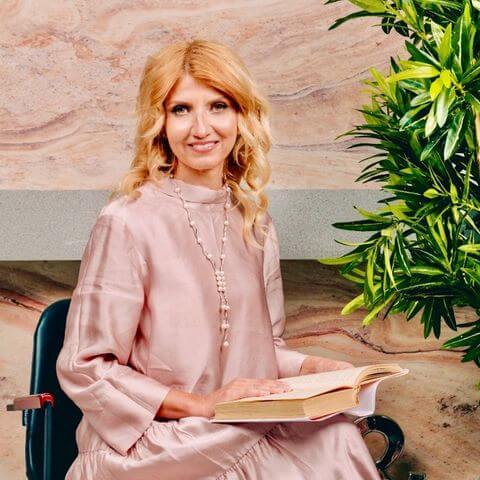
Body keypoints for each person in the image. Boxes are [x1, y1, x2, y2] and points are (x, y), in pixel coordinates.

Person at [56, 39, 381, 480]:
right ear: (160, 123)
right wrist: (203, 405)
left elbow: (264, 352)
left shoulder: (256, 225)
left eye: (218, 106)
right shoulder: (127, 221)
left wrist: (318, 369)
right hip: (154, 443)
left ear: (241, 116)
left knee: (336, 437)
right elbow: (86, 366)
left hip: (232, 427)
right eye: (181, 109)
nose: (201, 128)